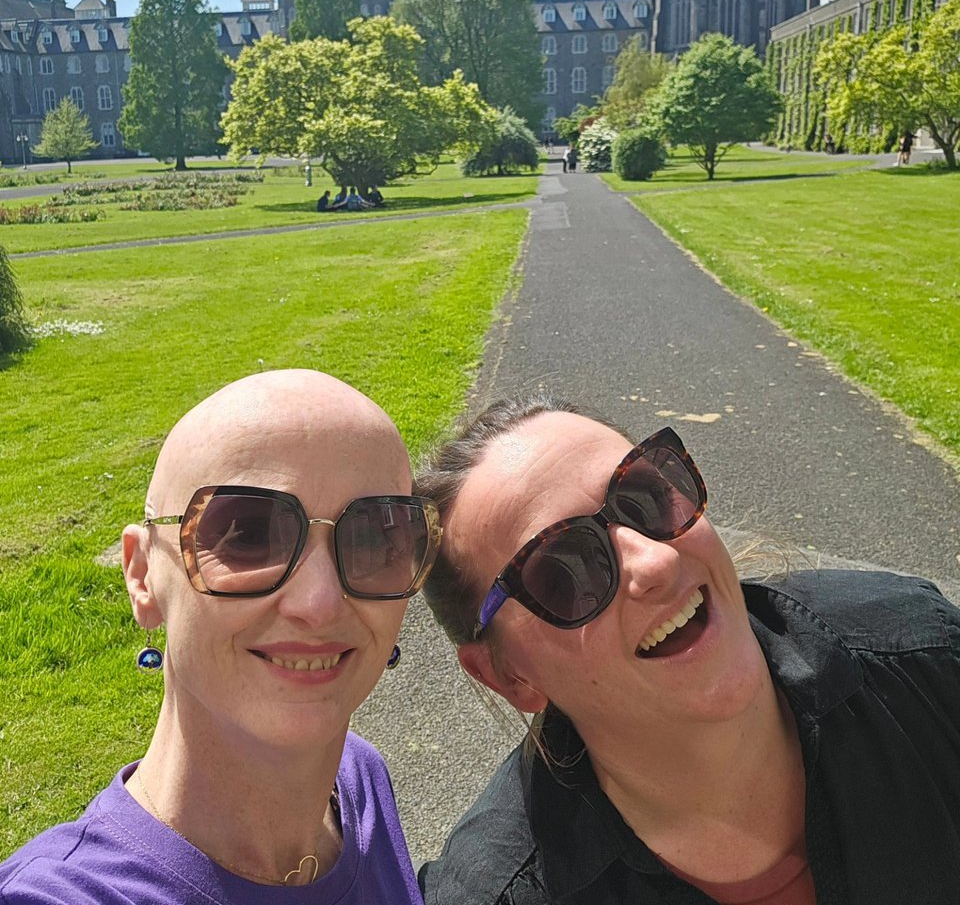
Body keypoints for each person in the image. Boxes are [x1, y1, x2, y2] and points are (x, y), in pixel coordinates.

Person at [415, 393, 960, 904]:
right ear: (508, 676)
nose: (658, 562)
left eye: (647, 497)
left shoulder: (927, 658)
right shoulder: (496, 893)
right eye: (564, 570)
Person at [0, 370, 441, 903]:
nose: (320, 603)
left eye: (375, 536)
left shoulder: (359, 782)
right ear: (142, 575)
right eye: (249, 536)